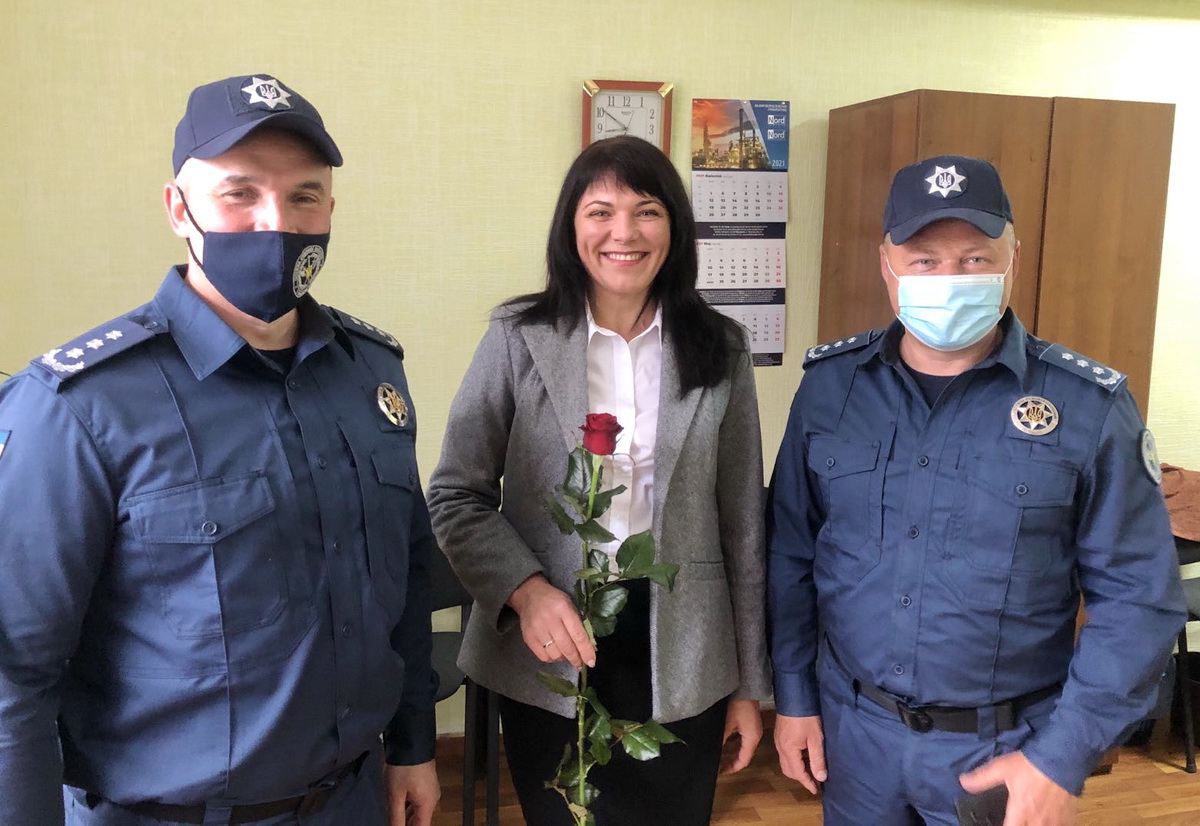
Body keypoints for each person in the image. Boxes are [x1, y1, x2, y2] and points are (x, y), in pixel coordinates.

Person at [0, 74, 440, 826]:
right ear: (179, 208)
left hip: (351, 799)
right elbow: (14, 676)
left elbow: (404, 584)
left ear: (331, 210)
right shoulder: (78, 407)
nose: (277, 222)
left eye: (304, 196)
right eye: (240, 193)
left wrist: (413, 744)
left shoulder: (371, 371)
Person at [767, 154, 1186, 826]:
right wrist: (794, 697)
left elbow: (1138, 598)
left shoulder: (1088, 407)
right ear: (886, 265)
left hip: (1006, 749)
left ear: (1012, 260)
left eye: (974, 259)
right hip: (856, 737)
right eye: (925, 260)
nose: (950, 280)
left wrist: (1062, 756)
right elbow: (790, 552)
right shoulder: (830, 389)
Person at [427, 135, 770, 825]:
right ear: (571, 227)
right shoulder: (517, 337)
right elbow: (456, 495)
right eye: (601, 212)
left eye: (647, 211)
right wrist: (525, 591)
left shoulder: (720, 346)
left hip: (684, 645)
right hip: (548, 642)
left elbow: (743, 525)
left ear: (675, 228)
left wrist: (749, 685)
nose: (624, 232)